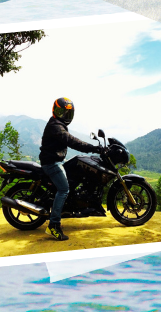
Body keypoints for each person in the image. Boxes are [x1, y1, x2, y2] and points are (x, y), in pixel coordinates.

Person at [39, 97, 101, 241]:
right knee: (64, 189)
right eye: (61, 112)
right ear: (55, 110)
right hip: (52, 162)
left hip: (57, 159)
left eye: (67, 113)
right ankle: (53, 225)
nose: (64, 115)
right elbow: (71, 140)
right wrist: (93, 148)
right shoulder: (55, 126)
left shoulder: (57, 123)